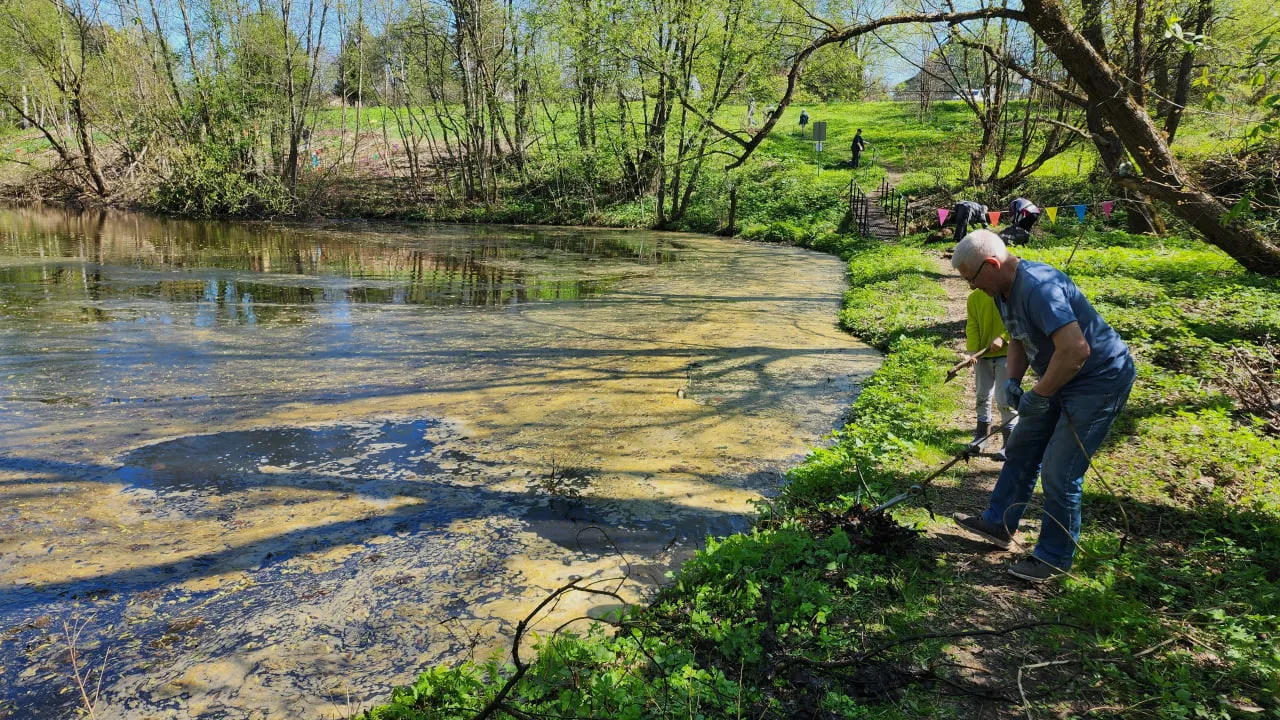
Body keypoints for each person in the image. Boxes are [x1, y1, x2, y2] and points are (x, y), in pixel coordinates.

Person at [950, 230, 1135, 582]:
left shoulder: (1038, 288)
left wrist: (1040, 394)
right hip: (1062, 375)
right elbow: (1018, 338)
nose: (972, 288)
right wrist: (1014, 382)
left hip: (1098, 380)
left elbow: (1077, 350)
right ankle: (999, 523)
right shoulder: (1002, 291)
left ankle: (1052, 558)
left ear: (992, 264)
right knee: (1021, 446)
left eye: (972, 280)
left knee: (1059, 471)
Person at [958, 288, 1017, 461]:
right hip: (982, 357)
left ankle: (1009, 443)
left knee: (1004, 398)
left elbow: (1018, 321)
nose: (971, 282)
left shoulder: (1006, 294)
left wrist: (1004, 337)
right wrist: (971, 351)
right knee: (982, 395)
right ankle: (981, 436)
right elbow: (973, 326)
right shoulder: (974, 298)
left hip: (1007, 354)